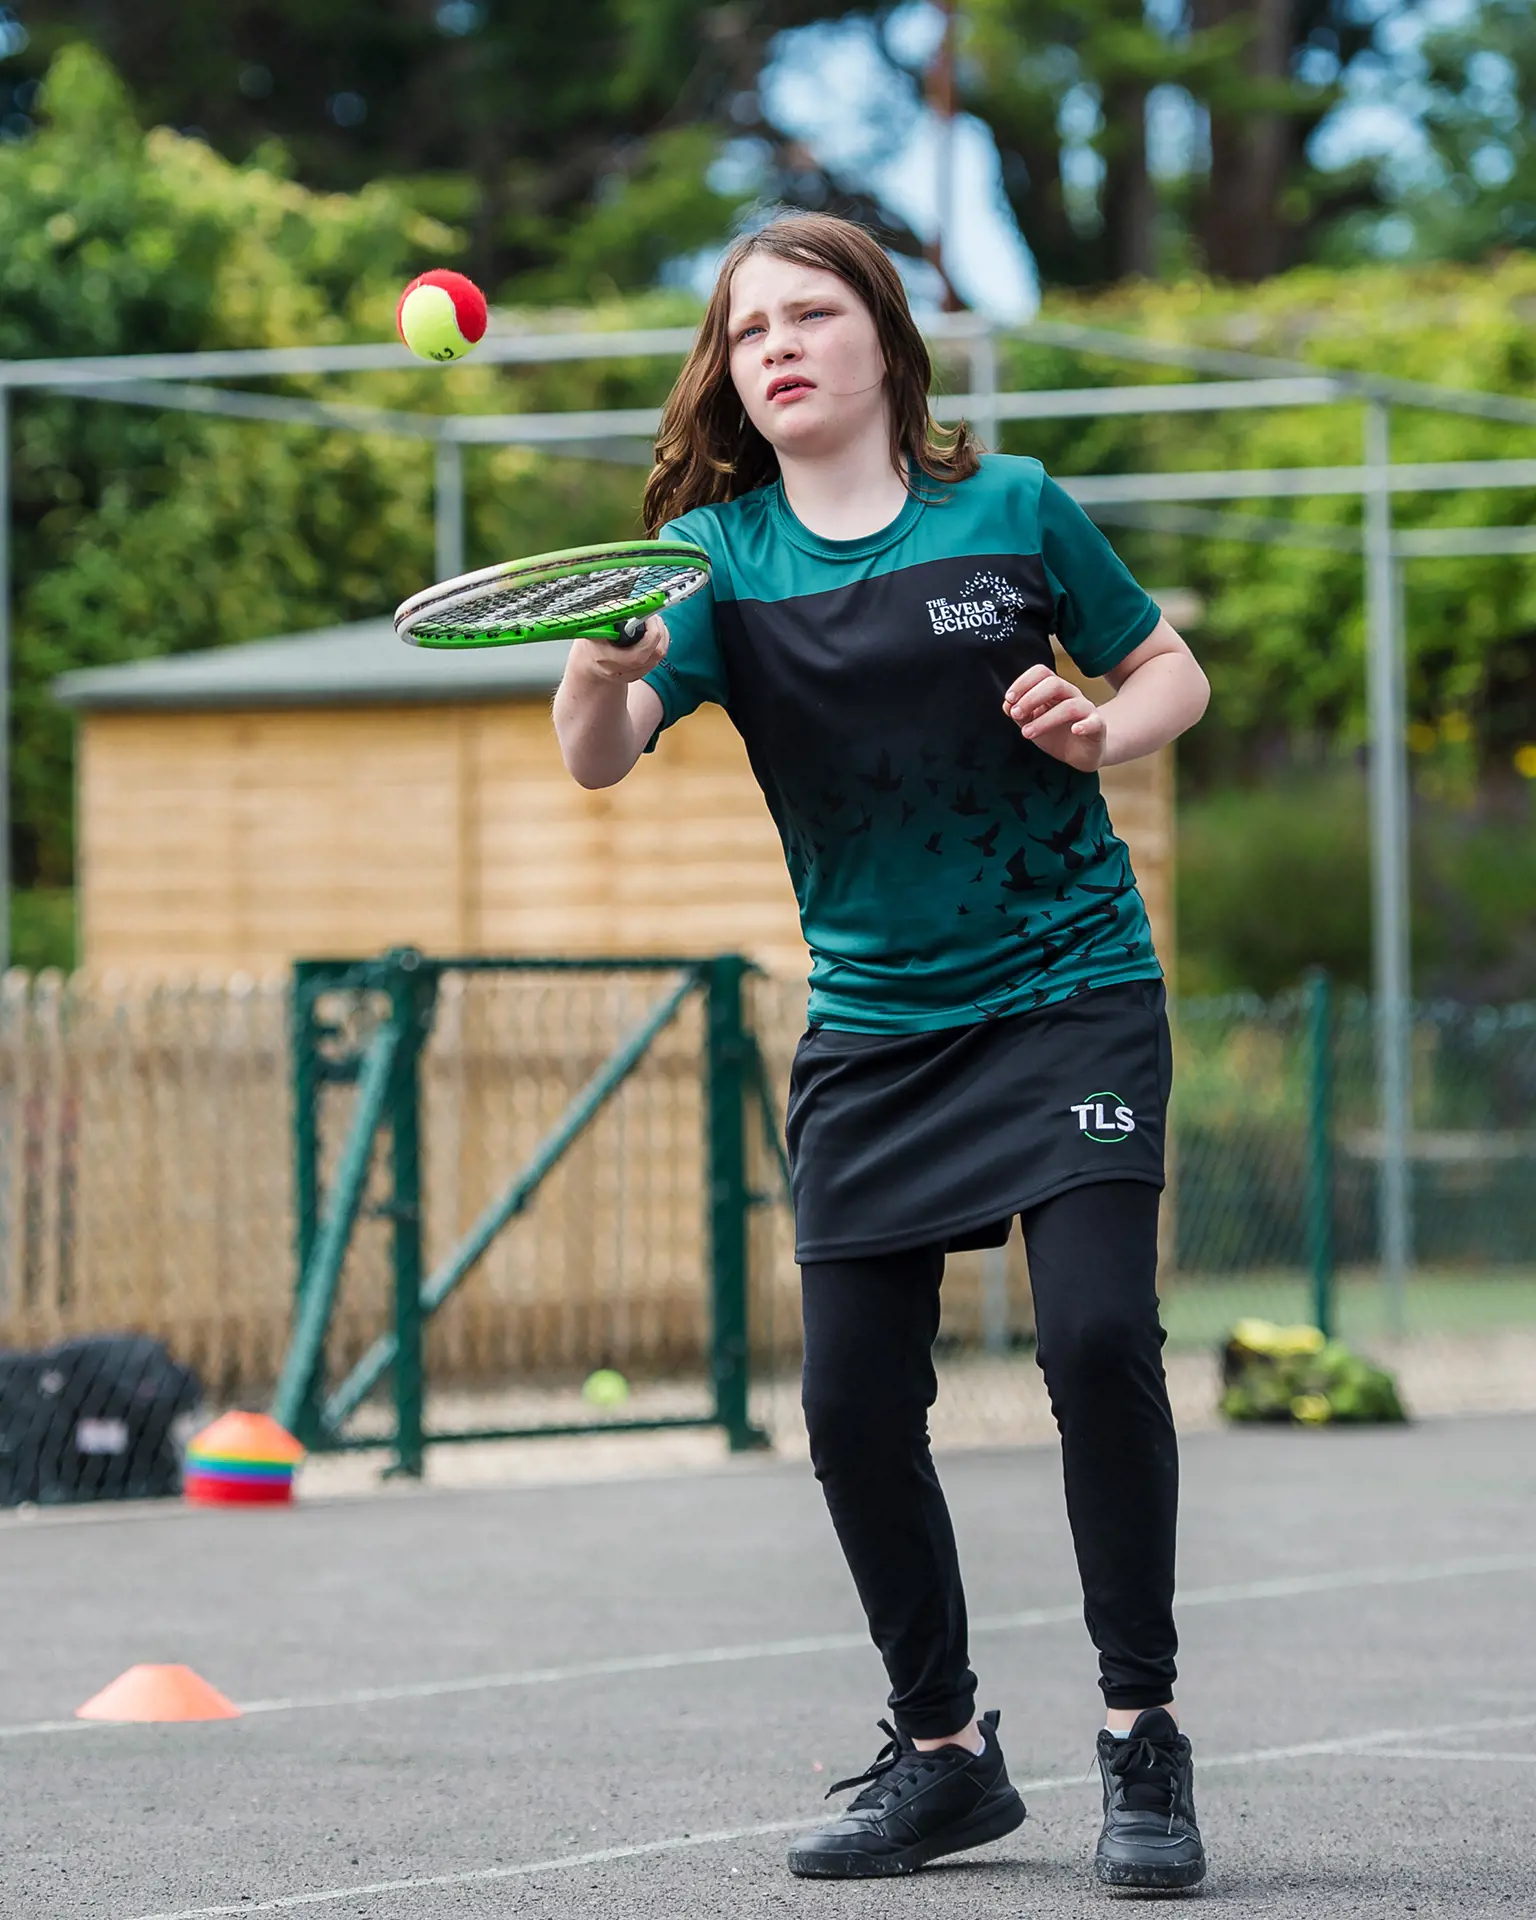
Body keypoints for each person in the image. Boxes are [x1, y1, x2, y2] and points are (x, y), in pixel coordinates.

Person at [552, 211, 1210, 1894]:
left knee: (1099, 1339)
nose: (776, 346)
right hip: (876, 1029)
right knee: (849, 1405)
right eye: (746, 329)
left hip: (1068, 990)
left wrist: (1101, 727)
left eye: (810, 314)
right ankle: (943, 1756)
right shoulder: (709, 562)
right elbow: (600, 755)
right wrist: (596, 663)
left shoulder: (1015, 509)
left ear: (884, 339)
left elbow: (1168, 672)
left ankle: (1141, 1733)